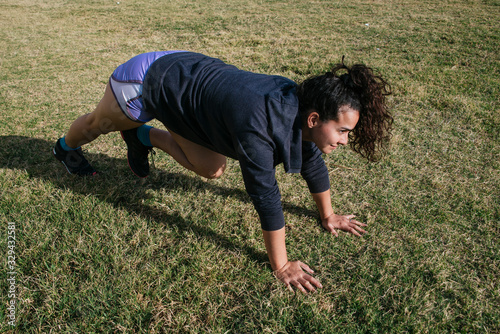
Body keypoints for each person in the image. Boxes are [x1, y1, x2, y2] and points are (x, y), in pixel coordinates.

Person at [53, 50, 393, 293]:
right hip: (149, 79)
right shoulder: (259, 125)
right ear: (315, 120)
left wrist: (329, 215)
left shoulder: (298, 111)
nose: (345, 141)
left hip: (186, 97)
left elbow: (311, 162)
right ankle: (64, 149)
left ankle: (142, 136)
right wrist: (281, 265)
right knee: (96, 125)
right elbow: (265, 196)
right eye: (343, 131)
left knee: (211, 169)